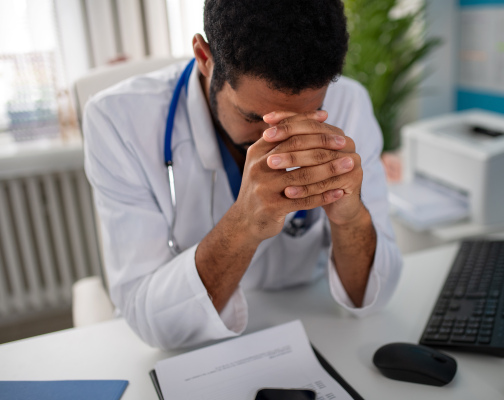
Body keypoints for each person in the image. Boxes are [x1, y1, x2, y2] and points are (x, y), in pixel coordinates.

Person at [83, 0, 402, 350]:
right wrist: (244, 224)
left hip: (314, 323)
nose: (277, 139)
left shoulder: (350, 103)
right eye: (254, 117)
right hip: (195, 346)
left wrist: (351, 218)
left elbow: (374, 294)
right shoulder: (118, 120)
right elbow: (153, 323)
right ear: (204, 58)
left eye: (310, 115)